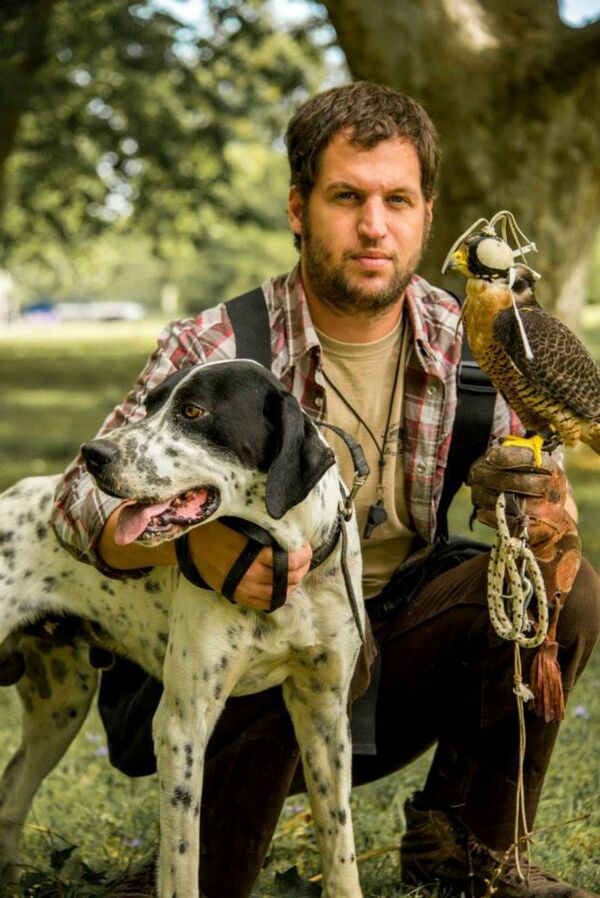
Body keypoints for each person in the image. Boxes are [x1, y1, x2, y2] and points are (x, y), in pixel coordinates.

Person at [52, 82, 600, 898]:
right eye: (347, 197)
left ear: (427, 213)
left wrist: (521, 497)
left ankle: (470, 849)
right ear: (298, 209)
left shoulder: (472, 343)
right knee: (215, 869)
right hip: (232, 664)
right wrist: (201, 543)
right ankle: (193, 857)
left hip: (387, 653)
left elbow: (546, 514)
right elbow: (73, 504)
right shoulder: (218, 344)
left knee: (573, 593)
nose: (374, 226)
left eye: (397, 200)